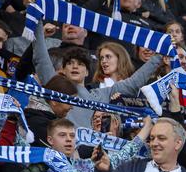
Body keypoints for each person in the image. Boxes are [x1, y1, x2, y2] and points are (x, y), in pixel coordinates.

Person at [31, 11, 162, 129]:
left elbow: (133, 83)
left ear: (87, 72)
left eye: (80, 64)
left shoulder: (100, 95)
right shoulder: (55, 85)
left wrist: (159, 56)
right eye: (70, 63)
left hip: (90, 152)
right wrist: (38, 22)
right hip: (63, 146)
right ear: (63, 70)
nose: (75, 66)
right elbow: (41, 59)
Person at [24, 75, 79, 148]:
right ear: (54, 100)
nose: (72, 107)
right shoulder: (39, 123)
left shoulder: (42, 118)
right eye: (69, 102)